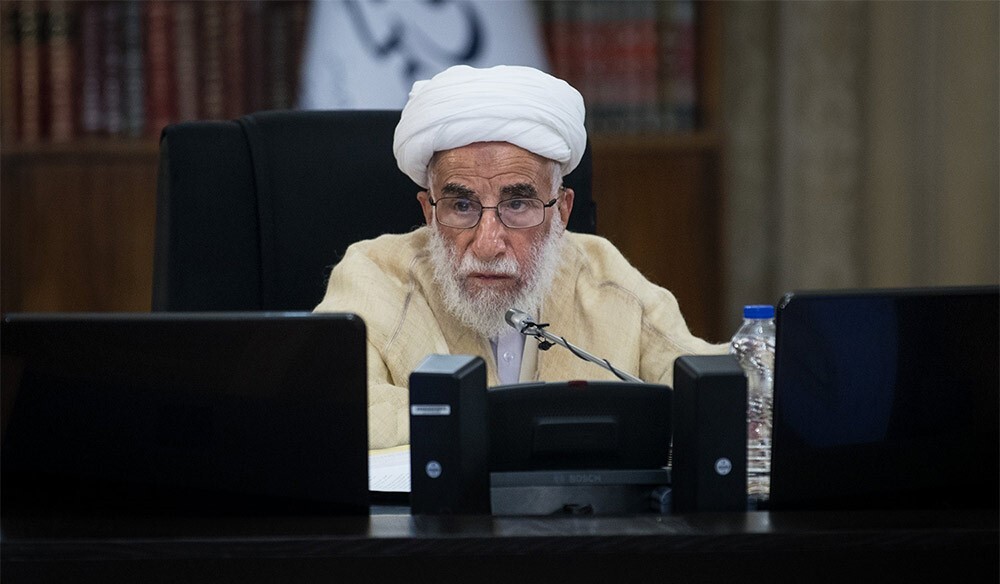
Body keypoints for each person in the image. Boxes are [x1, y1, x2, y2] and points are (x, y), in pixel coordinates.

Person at [314, 65, 725, 449]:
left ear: (561, 211)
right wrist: (506, 420)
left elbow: (711, 388)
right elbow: (330, 409)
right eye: (462, 206)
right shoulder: (373, 276)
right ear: (429, 212)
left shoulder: (604, 277)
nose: (488, 244)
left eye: (517, 205)